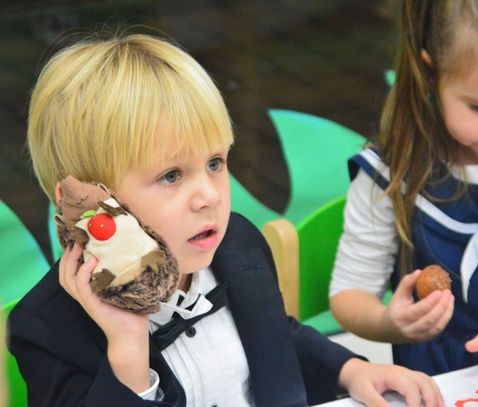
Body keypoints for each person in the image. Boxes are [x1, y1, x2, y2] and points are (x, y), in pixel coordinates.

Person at [6, 33, 443, 407]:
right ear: (87, 204)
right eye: (171, 175)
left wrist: (350, 370)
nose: (211, 196)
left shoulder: (237, 245)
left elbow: (276, 339)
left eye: (215, 163)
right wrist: (128, 353)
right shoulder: (46, 329)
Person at [330, 0, 478, 376]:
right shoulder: (390, 177)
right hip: (447, 381)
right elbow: (350, 294)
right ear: (431, 73)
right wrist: (390, 324)